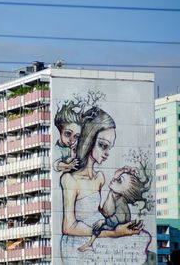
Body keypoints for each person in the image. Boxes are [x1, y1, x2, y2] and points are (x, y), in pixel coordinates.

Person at [60, 107, 147, 264]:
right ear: (89, 140)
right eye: (102, 145)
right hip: (79, 244)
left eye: (109, 147)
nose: (107, 153)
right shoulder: (70, 179)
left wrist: (114, 191)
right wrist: (113, 233)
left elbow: (106, 212)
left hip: (100, 236)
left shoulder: (100, 177)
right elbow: (69, 227)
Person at [77, 166, 148, 252]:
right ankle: (90, 244)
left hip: (116, 225)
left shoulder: (120, 201)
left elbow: (117, 218)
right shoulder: (116, 196)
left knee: (97, 226)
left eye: (119, 180)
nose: (114, 180)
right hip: (113, 222)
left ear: (125, 191)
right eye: (117, 178)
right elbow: (107, 211)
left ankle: (90, 244)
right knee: (96, 224)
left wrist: (104, 221)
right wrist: (119, 174)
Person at [53, 101, 82, 172]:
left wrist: (72, 156)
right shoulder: (57, 148)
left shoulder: (72, 148)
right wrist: (68, 166)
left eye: (76, 136)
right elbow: (56, 164)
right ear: (60, 131)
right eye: (68, 134)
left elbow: (67, 160)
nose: (71, 140)